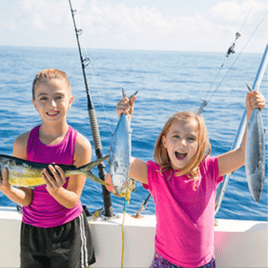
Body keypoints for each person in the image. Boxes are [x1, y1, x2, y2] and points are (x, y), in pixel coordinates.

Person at [106, 90, 265, 268]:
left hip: (204, 264)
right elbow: (121, 160)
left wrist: (252, 112)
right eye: (176, 136)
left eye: (191, 138)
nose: (182, 143)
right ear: (164, 142)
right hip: (165, 263)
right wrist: (124, 119)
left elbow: (244, 154)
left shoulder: (210, 170)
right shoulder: (155, 174)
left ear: (200, 145)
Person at [0, 69, 95, 268]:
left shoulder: (80, 146)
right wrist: (8, 190)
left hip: (68, 230)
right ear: (34, 104)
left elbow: (72, 201)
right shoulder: (22, 143)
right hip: (31, 230)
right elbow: (27, 198)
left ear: (70, 100)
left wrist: (56, 190)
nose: (52, 105)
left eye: (58, 97)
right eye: (43, 98)